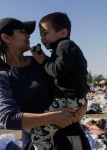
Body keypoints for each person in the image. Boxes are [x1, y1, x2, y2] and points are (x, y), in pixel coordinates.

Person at [0, 17, 90, 150]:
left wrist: (84, 106)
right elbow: (8, 118)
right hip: (37, 142)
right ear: (7, 38)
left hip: (71, 137)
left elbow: (72, 84)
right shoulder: (2, 77)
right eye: (22, 31)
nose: (28, 35)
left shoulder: (40, 61)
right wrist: (53, 117)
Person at [31, 12, 90, 150]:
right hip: (71, 101)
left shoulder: (65, 45)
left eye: (45, 34)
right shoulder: (61, 49)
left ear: (63, 32)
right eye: (41, 35)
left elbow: (58, 71)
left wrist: (43, 60)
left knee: (39, 132)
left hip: (68, 101)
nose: (42, 39)